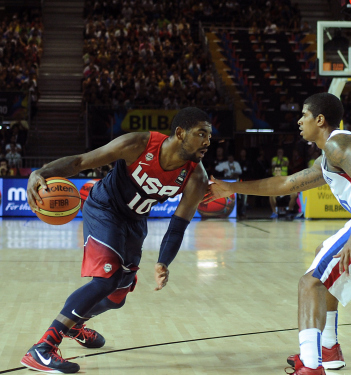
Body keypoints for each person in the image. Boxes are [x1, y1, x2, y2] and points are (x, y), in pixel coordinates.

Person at [207, 93, 351, 375]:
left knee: (310, 284)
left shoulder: (338, 143)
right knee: (323, 257)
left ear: (320, 120)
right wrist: (231, 187)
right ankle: (328, 350)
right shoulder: (329, 155)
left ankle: (310, 365)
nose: (299, 121)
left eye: (303, 115)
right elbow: (285, 183)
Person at [20, 107, 212, 373]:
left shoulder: (197, 177)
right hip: (104, 207)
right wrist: (40, 171)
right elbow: (80, 161)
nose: (207, 141)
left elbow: (178, 226)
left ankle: (75, 324)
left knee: (118, 295)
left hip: (135, 222)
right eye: (202, 134)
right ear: (180, 133)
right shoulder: (138, 144)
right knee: (106, 279)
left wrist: (163, 262)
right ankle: (42, 348)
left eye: (210, 136)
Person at [269, 147, 296, 218]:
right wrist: (280, 161)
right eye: (279, 152)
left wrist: (281, 160)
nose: (280, 153)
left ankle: (289, 211)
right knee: (270, 195)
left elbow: (287, 164)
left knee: (294, 194)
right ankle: (274, 212)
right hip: (277, 188)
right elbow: (273, 165)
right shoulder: (274, 159)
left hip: (285, 185)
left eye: (281, 152)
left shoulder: (285, 159)